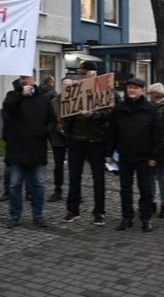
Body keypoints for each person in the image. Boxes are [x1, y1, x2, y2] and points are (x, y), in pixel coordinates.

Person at [106, 78, 163, 232]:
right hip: (125, 155)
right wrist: (109, 153)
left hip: (144, 157)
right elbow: (112, 132)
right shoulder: (119, 108)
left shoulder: (150, 109)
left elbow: (158, 134)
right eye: (130, 87)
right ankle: (127, 217)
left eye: (136, 88)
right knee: (125, 189)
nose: (132, 90)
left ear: (142, 90)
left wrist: (154, 156)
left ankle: (146, 218)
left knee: (145, 189)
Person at [2, 73, 56, 228]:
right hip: (17, 149)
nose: (24, 80)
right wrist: (22, 95)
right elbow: (7, 110)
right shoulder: (13, 96)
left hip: (37, 149)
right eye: (22, 77)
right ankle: (15, 215)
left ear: (34, 79)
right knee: (15, 184)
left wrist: (45, 131)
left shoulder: (43, 99)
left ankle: (38, 215)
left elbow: (52, 120)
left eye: (27, 77)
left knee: (38, 184)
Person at [63, 61, 112, 226]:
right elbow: (65, 111)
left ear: (94, 75)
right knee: (74, 177)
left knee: (98, 178)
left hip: (95, 141)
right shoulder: (75, 90)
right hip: (76, 141)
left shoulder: (104, 90)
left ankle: (99, 212)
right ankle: (73, 210)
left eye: (85, 74)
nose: (82, 77)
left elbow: (111, 113)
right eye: (81, 74)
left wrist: (94, 115)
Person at [147, 82, 164, 218]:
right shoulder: (152, 107)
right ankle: (153, 201)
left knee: (162, 176)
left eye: (151, 94)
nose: (149, 96)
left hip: (162, 147)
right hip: (151, 147)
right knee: (152, 176)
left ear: (156, 95)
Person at [47, 77, 72, 202]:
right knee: (58, 165)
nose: (67, 87)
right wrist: (58, 128)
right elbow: (49, 120)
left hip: (73, 137)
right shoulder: (54, 102)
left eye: (69, 85)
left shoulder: (77, 100)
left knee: (75, 166)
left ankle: (75, 192)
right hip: (57, 138)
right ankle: (58, 190)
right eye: (64, 85)